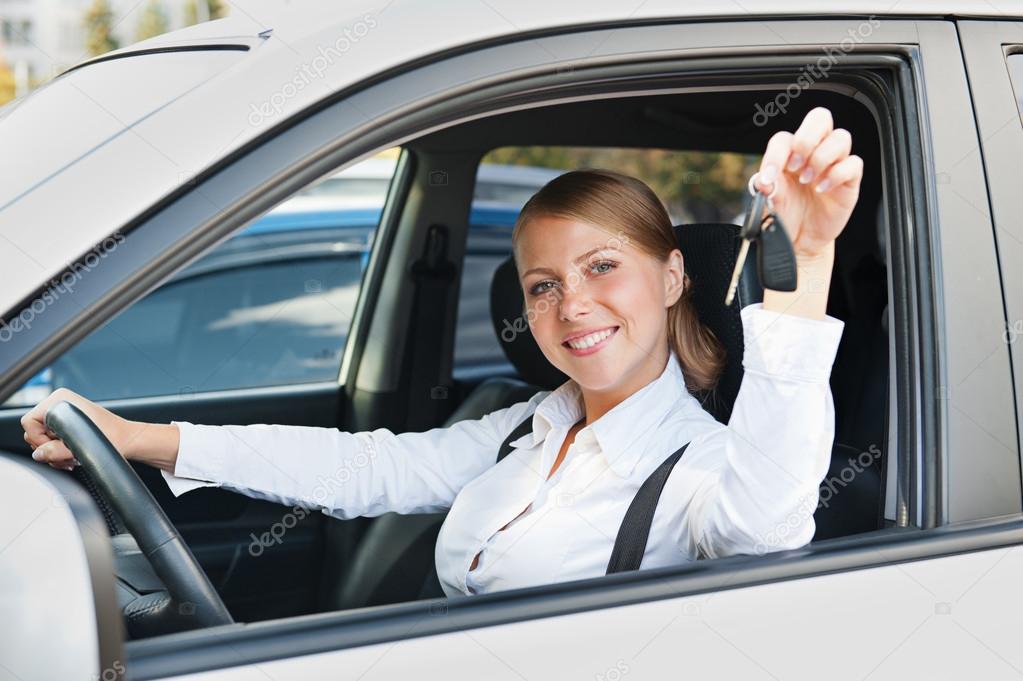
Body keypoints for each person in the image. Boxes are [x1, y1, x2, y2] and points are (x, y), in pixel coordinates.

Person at [23, 106, 860, 598]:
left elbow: (764, 529)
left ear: (673, 276)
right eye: (540, 285)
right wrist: (137, 437)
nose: (571, 304)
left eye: (603, 267)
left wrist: (805, 265)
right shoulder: (523, 429)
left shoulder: (701, 468)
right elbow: (359, 469)